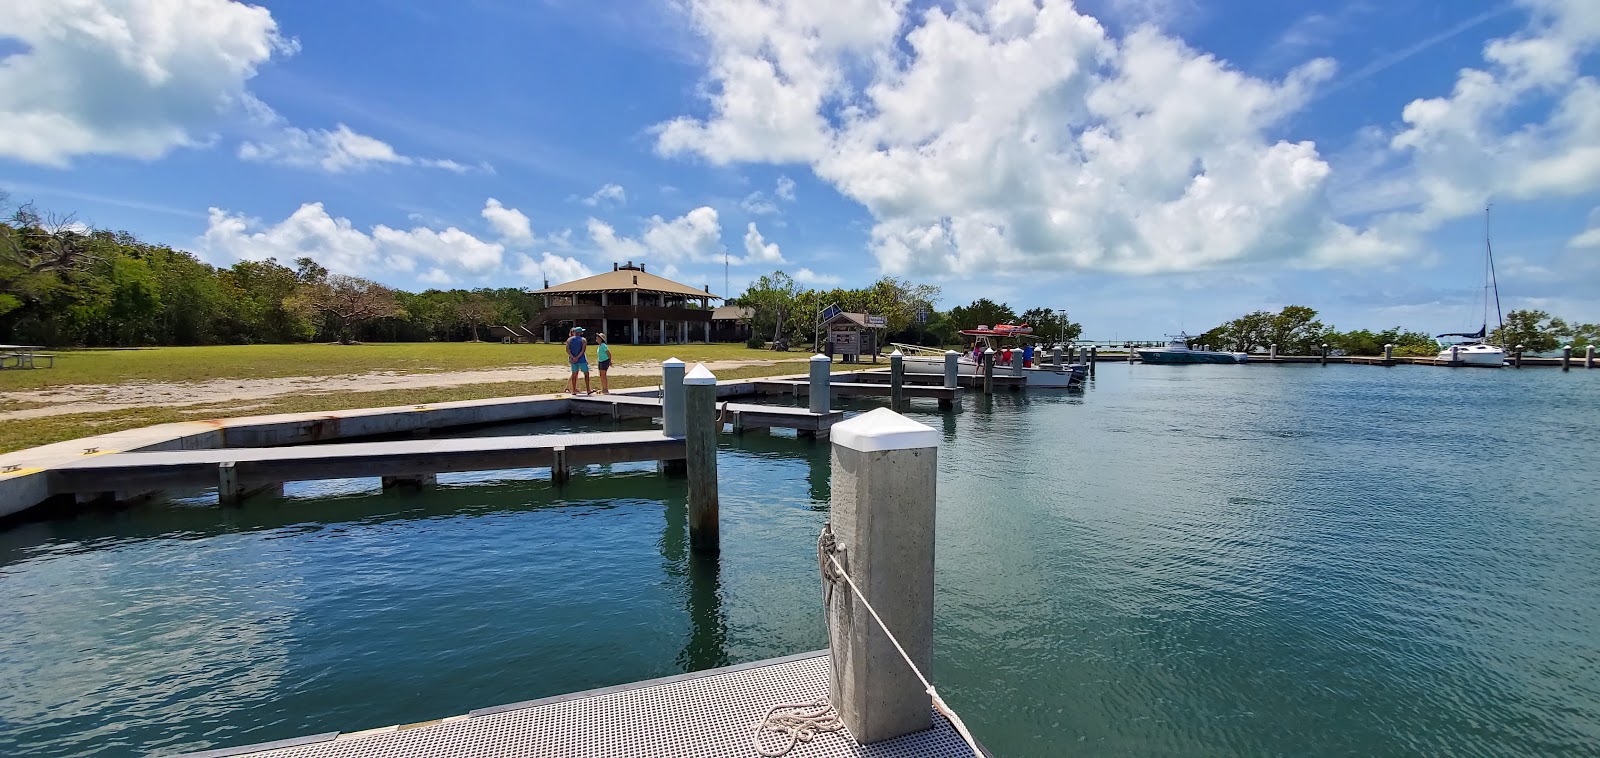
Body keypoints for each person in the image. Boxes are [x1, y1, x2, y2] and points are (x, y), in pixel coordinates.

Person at [566, 326, 591, 395]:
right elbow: (583, 350)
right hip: (581, 359)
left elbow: (567, 350)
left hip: (573, 360)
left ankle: (573, 390)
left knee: (574, 374)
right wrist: (577, 357)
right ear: (580, 333)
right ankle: (588, 389)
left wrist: (573, 357)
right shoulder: (583, 340)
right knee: (586, 373)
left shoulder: (569, 340)